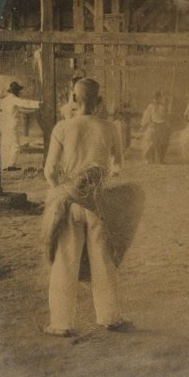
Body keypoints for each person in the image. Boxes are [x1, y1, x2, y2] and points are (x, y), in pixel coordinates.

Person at [39, 78, 135, 336]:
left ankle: (61, 323)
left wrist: (64, 189)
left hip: (69, 202)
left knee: (65, 259)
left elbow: (49, 171)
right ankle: (110, 317)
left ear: (73, 99)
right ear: (99, 101)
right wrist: (98, 180)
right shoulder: (110, 128)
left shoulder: (63, 127)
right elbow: (117, 165)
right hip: (98, 203)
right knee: (103, 259)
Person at [0, 80, 41, 170]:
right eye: (18, 91)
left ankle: (4, 165)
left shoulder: (5, 100)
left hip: (4, 125)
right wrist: (39, 104)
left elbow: (20, 109)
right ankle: (10, 165)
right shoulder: (14, 99)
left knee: (5, 145)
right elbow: (25, 103)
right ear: (16, 91)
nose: (19, 93)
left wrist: (34, 110)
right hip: (11, 126)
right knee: (15, 146)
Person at [140, 91, 170, 164]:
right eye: (155, 98)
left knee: (161, 143)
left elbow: (165, 118)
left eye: (158, 98)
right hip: (152, 126)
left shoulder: (163, 107)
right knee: (149, 143)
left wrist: (166, 126)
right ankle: (148, 158)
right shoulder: (150, 106)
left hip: (161, 126)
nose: (157, 100)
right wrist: (144, 125)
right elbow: (147, 116)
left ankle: (161, 159)